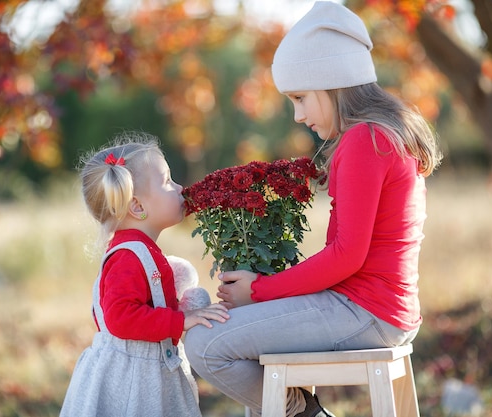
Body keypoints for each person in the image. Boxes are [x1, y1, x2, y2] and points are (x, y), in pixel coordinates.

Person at [184, 2, 442, 417]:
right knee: (247, 343)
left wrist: (259, 291)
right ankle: (296, 408)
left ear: (332, 82)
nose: (298, 115)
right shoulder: (386, 133)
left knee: (205, 343)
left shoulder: (364, 141)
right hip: (378, 308)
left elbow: (347, 256)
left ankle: (305, 414)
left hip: (364, 311)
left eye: (300, 98)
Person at [60, 132, 230, 417]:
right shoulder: (127, 257)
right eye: (167, 182)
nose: (179, 188)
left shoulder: (142, 250)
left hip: (148, 371)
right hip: (131, 380)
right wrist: (181, 320)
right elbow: (120, 317)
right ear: (137, 207)